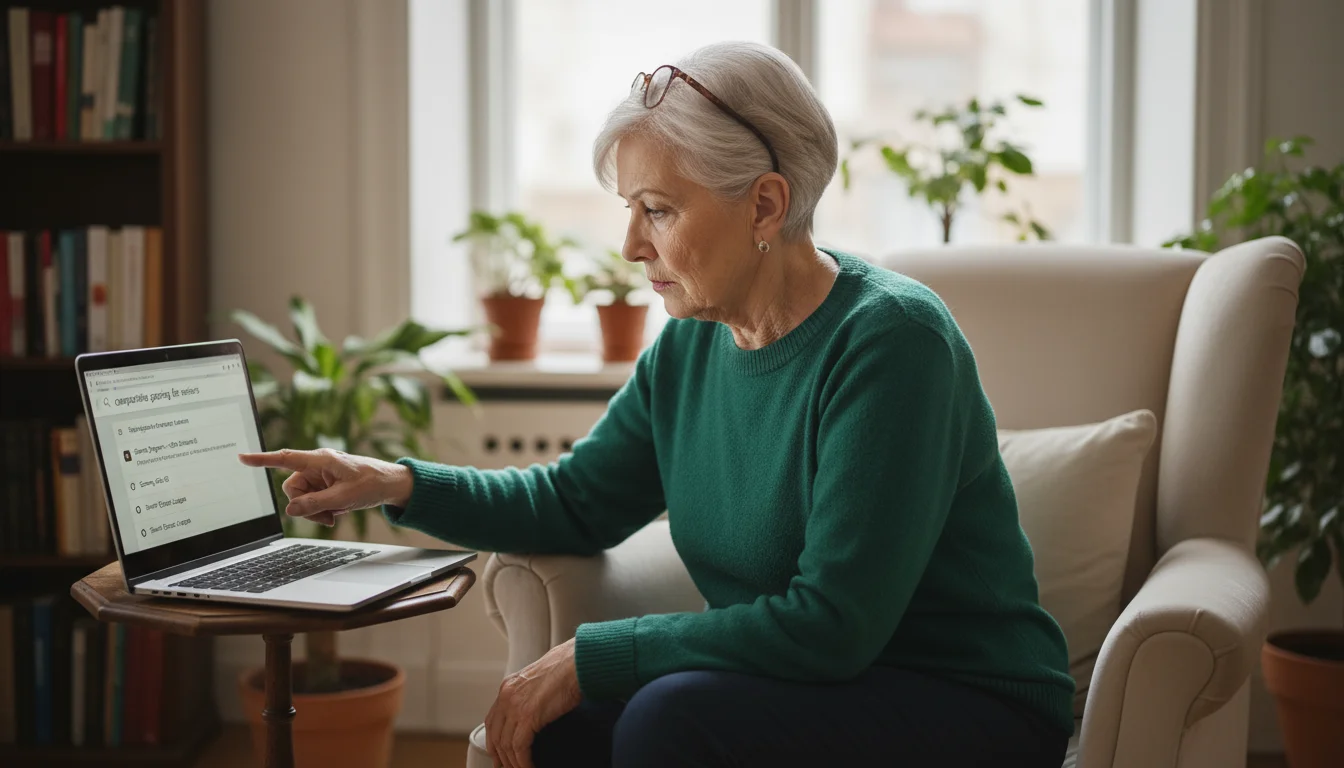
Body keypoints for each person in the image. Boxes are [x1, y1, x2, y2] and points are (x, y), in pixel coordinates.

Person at [240, 40, 1073, 768]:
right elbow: (574, 502)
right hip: (817, 685)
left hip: (962, 697)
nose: (633, 247)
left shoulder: (890, 341)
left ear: (767, 205)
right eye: (631, 211)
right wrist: (392, 482)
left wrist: (590, 656)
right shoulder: (691, 342)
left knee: (667, 718)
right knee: (561, 735)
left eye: (659, 211)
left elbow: (833, 625)